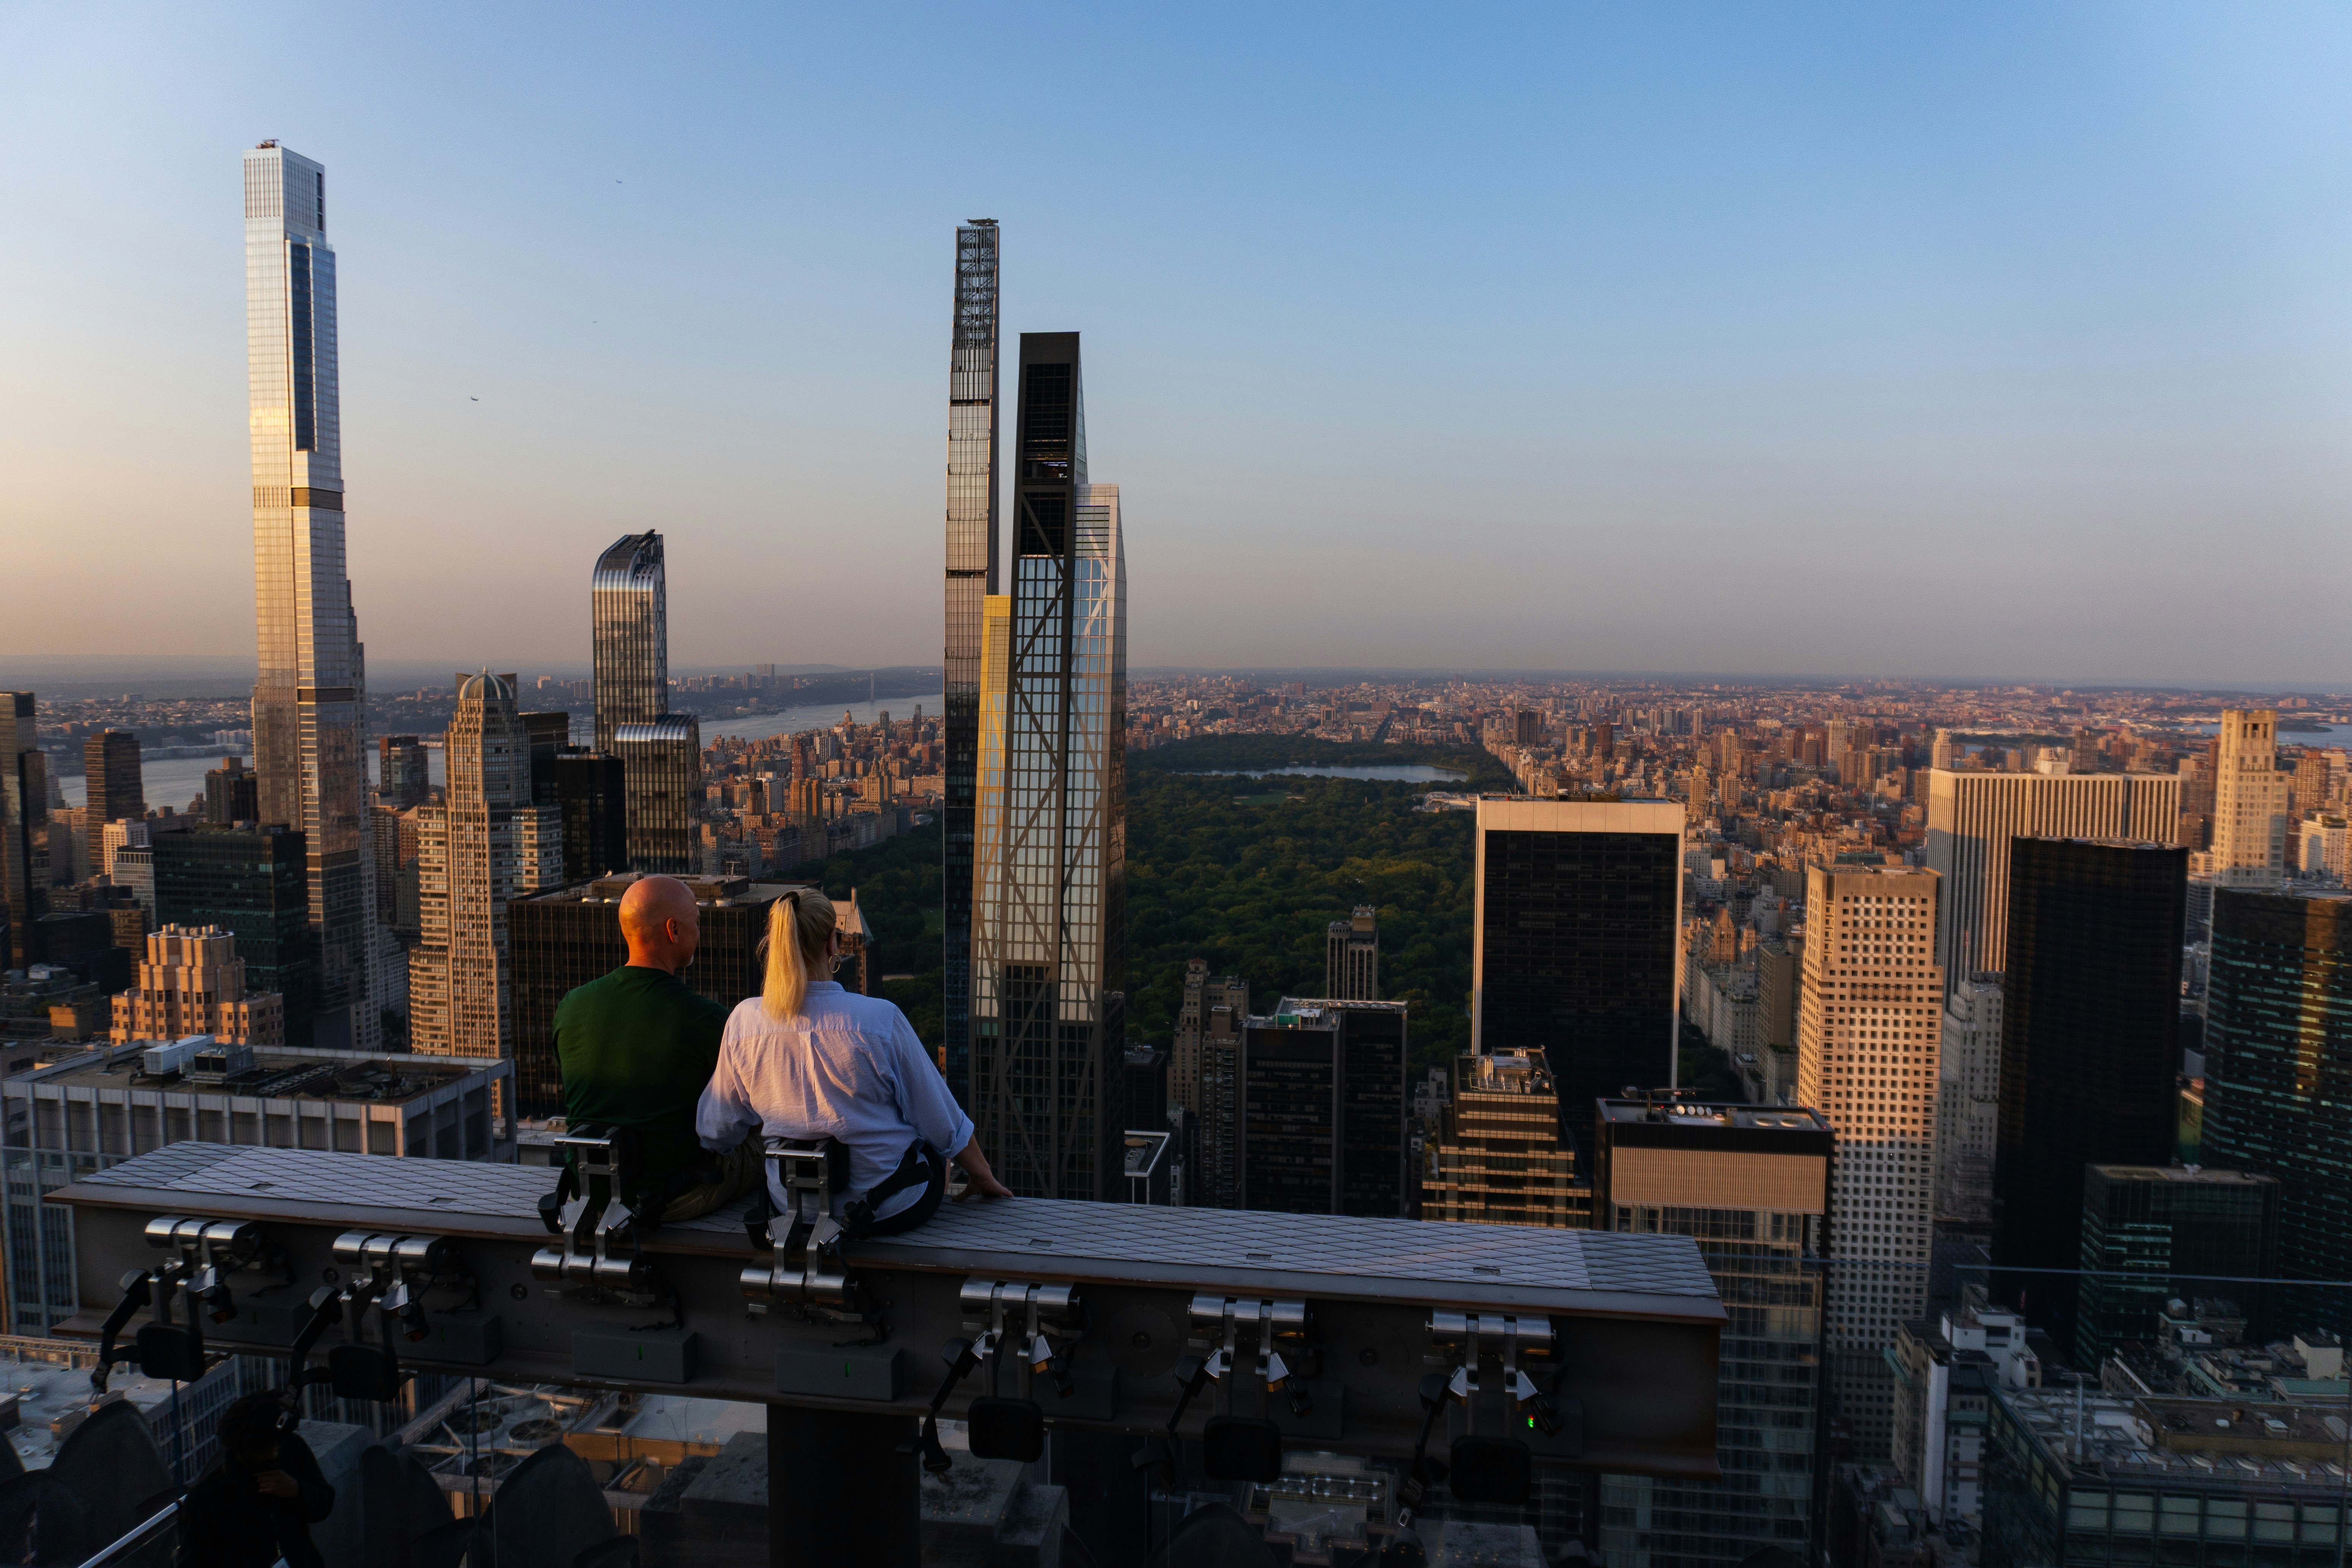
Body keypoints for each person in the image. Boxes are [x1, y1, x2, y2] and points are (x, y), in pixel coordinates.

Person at [697, 886, 1011, 1230]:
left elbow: (715, 1131)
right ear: (833, 944)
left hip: (790, 1208)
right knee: (927, 1145)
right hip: (887, 1208)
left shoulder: (745, 1022)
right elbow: (942, 1121)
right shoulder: (878, 1020)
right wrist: (982, 1175)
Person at [554, 874, 758, 1221]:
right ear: (673, 930)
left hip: (588, 1190)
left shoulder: (572, 1005)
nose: (700, 932)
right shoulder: (706, 1019)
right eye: (696, 923)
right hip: (670, 1197)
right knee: (772, 1132)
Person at [177, 1392, 335, 1568]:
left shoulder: (291, 1446)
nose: (275, 1453)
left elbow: (324, 1505)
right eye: (266, 1449)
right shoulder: (205, 1498)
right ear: (244, 1449)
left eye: (277, 1444)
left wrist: (297, 1490)